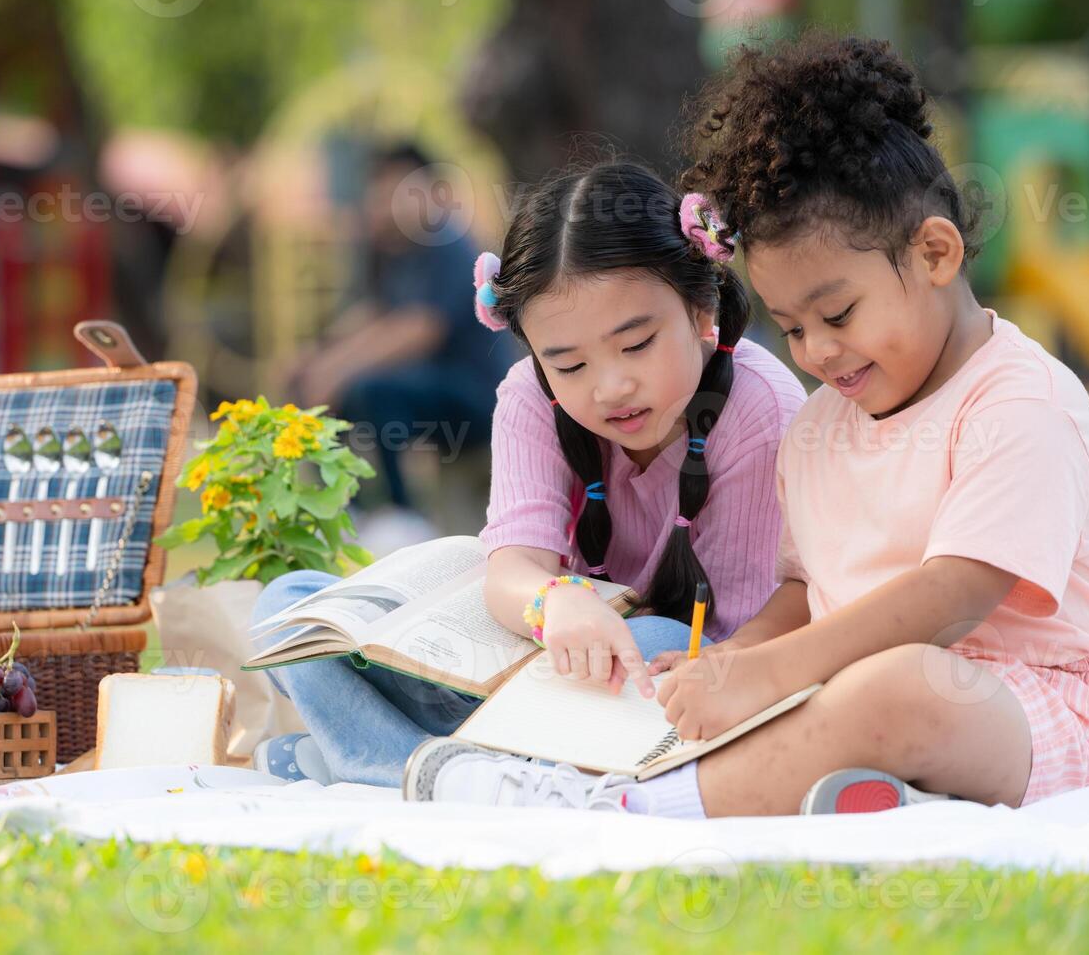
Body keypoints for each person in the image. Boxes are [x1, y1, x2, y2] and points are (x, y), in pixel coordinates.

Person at [403, 35, 1089, 817]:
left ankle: (615, 809)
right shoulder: (821, 426)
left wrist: (773, 671)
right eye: (791, 328)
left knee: (906, 686)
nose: (817, 351)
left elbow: (953, 595)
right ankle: (867, 795)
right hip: (839, 684)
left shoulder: (1020, 402)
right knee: (771, 692)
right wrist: (734, 665)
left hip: (1021, 706)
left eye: (838, 313)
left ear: (934, 253)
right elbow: (801, 589)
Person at [250, 160, 806, 787]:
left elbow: (743, 633)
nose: (611, 387)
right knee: (289, 609)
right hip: (529, 664)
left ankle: (389, 759)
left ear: (702, 307)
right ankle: (448, 768)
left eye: (636, 344)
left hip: (651, 681)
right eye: (568, 366)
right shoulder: (527, 397)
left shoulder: (758, 409)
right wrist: (554, 602)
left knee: (651, 638)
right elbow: (514, 569)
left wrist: (627, 646)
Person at [284, 144, 514, 550]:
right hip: (430, 387)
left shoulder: (447, 240)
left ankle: (402, 515)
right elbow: (373, 315)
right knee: (324, 386)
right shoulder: (396, 251)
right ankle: (341, 506)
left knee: (371, 389)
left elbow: (421, 328)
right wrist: (318, 358)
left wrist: (337, 369)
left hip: (477, 394)